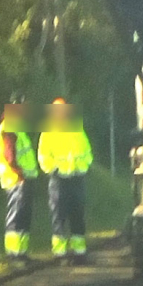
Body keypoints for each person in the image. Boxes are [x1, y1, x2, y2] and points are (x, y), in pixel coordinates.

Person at [38, 98, 94, 264]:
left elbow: (87, 153)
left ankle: (79, 252)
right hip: (59, 180)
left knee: (78, 216)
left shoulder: (77, 129)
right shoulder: (48, 132)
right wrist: (53, 170)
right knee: (59, 217)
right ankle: (60, 254)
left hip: (76, 179)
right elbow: (43, 155)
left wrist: (82, 169)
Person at [0, 103, 38, 263]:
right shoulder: (8, 127)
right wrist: (19, 173)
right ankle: (13, 254)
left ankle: (22, 253)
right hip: (16, 179)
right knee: (16, 216)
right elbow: (9, 154)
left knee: (24, 216)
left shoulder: (17, 127)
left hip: (23, 178)